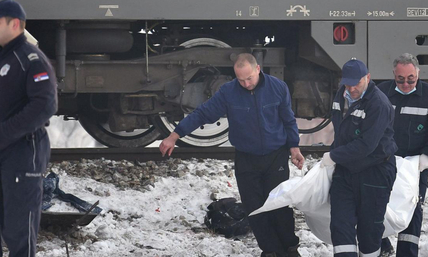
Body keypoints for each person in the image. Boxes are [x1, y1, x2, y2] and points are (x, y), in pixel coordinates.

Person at [160, 53, 305, 257]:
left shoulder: (278, 87)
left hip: (275, 156)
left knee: (279, 204)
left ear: (258, 69)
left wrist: (294, 147)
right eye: (240, 79)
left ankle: (290, 248)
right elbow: (203, 113)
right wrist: (175, 135)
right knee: (254, 208)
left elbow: (288, 119)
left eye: (249, 78)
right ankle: (271, 251)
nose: (245, 84)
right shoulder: (228, 92)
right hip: (246, 158)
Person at [0, 0, 57, 257]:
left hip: (22, 154)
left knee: (18, 230)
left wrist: (4, 133)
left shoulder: (31, 59)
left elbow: (45, 105)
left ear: (14, 24)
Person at [376, 53, 428, 257]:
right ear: (394, 74)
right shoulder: (380, 93)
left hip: (414, 164)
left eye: (411, 79)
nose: (406, 84)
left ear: (418, 74)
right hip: (383, 161)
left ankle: (407, 253)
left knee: (412, 208)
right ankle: (379, 247)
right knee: (375, 204)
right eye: (400, 79)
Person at [321, 58, 397, 257]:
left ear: (368, 78)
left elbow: (366, 145)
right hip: (346, 171)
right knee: (340, 224)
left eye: (357, 83)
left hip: (375, 171)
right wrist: (335, 155)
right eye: (348, 83)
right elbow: (342, 132)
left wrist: (334, 156)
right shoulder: (341, 96)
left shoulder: (378, 104)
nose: (352, 88)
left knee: (369, 231)